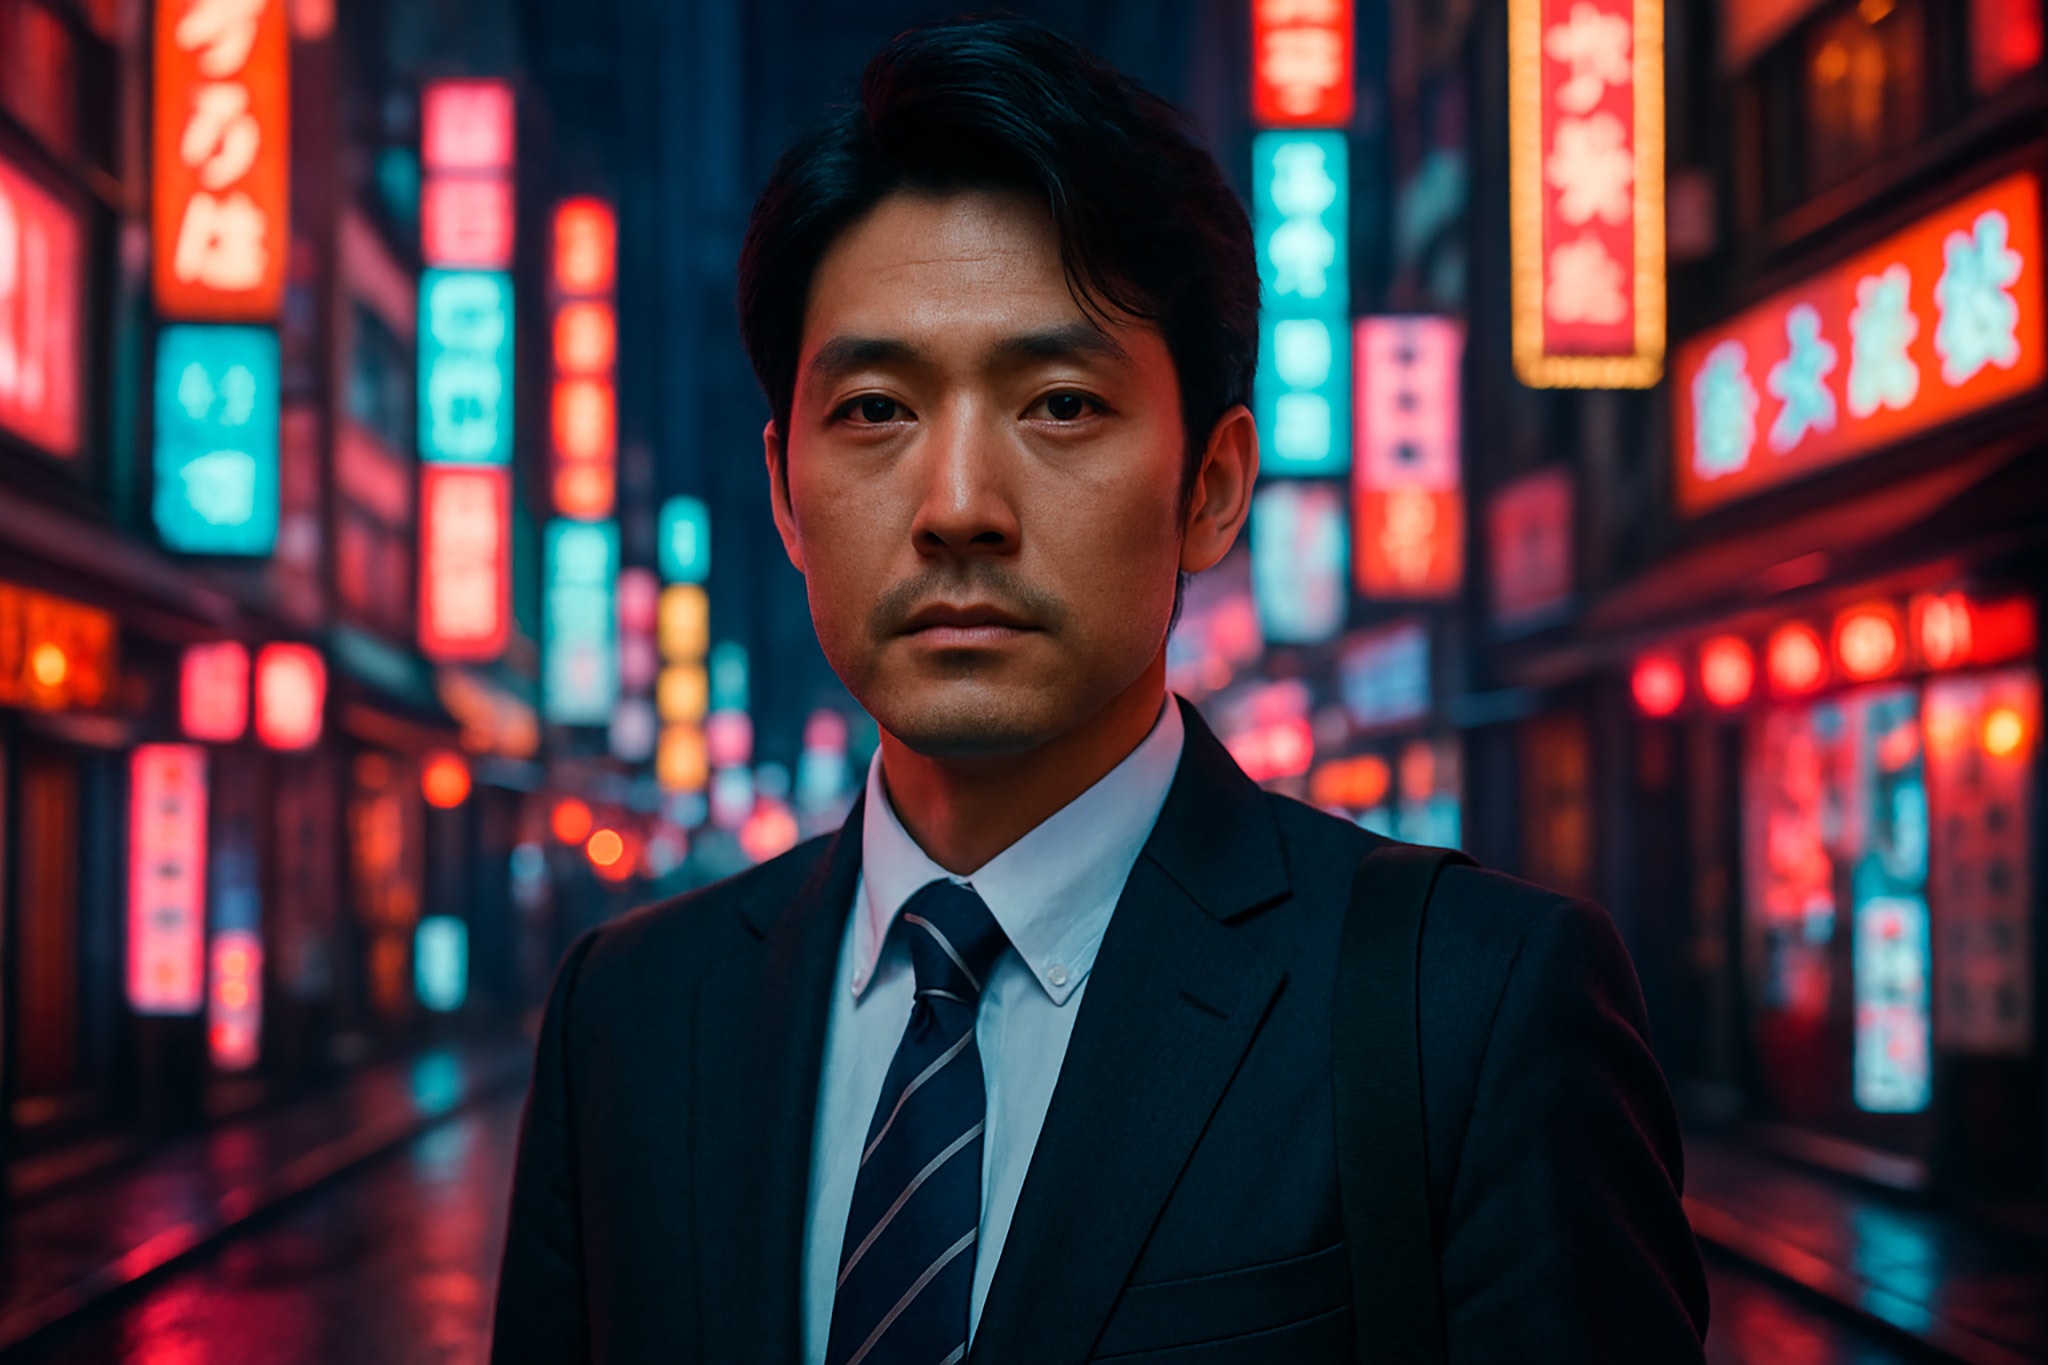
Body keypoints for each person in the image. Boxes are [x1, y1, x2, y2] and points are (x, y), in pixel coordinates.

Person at [491, 17, 1709, 1364]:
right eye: (877, 410)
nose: (958, 507)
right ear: (785, 489)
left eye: (1060, 404)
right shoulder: (631, 1017)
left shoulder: (1465, 1007)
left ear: (1213, 485)